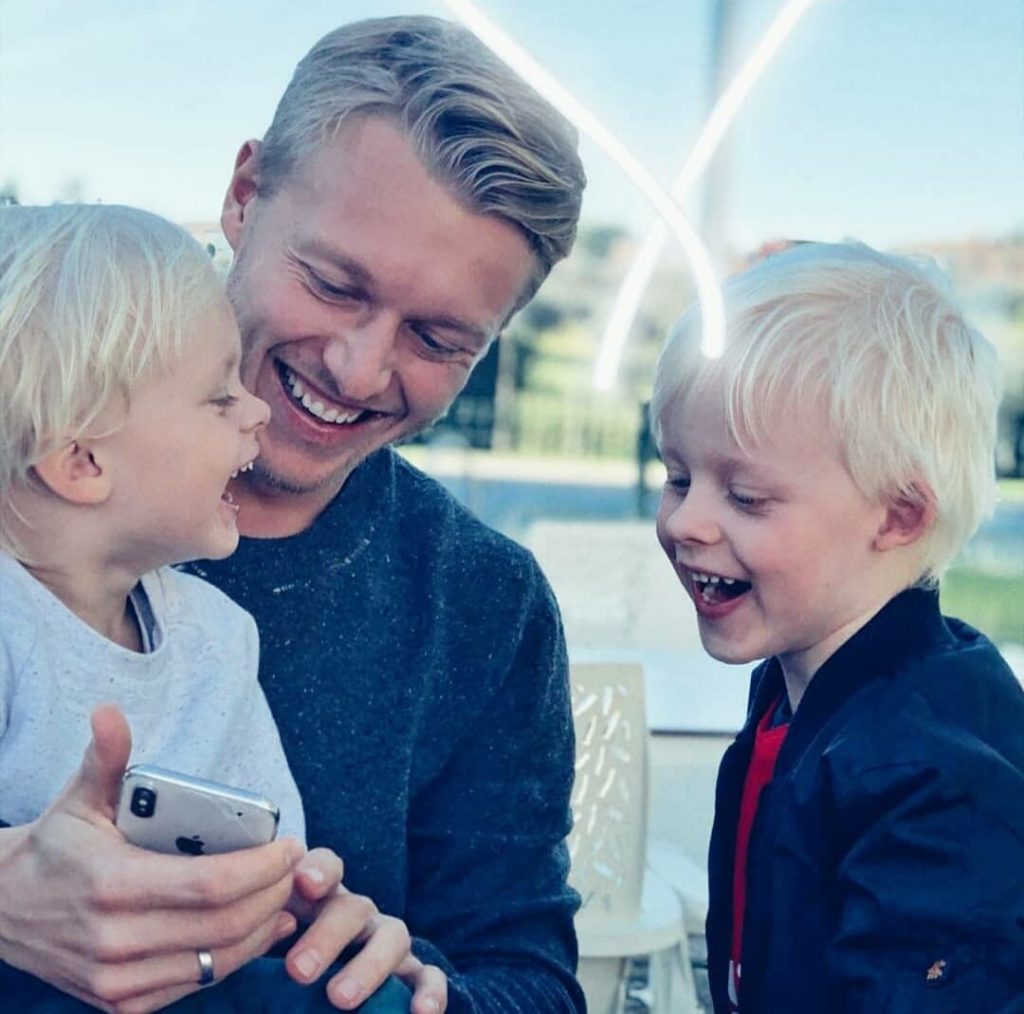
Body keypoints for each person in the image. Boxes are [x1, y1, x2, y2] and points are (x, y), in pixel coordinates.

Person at [2, 14, 588, 1014]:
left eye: (439, 339)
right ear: (244, 195)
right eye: (333, 283)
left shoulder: (486, 604)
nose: (358, 369)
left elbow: (530, 980)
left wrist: (412, 982)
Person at [0, 202, 428, 1013]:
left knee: (361, 994)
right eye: (217, 396)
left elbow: (276, 857)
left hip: (193, 975)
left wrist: (305, 898)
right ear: (81, 461)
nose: (254, 410)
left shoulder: (218, 636)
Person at [651, 241, 1024, 1013]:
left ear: (897, 516)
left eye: (747, 497)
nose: (686, 521)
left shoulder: (927, 782)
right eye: (678, 476)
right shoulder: (797, 691)